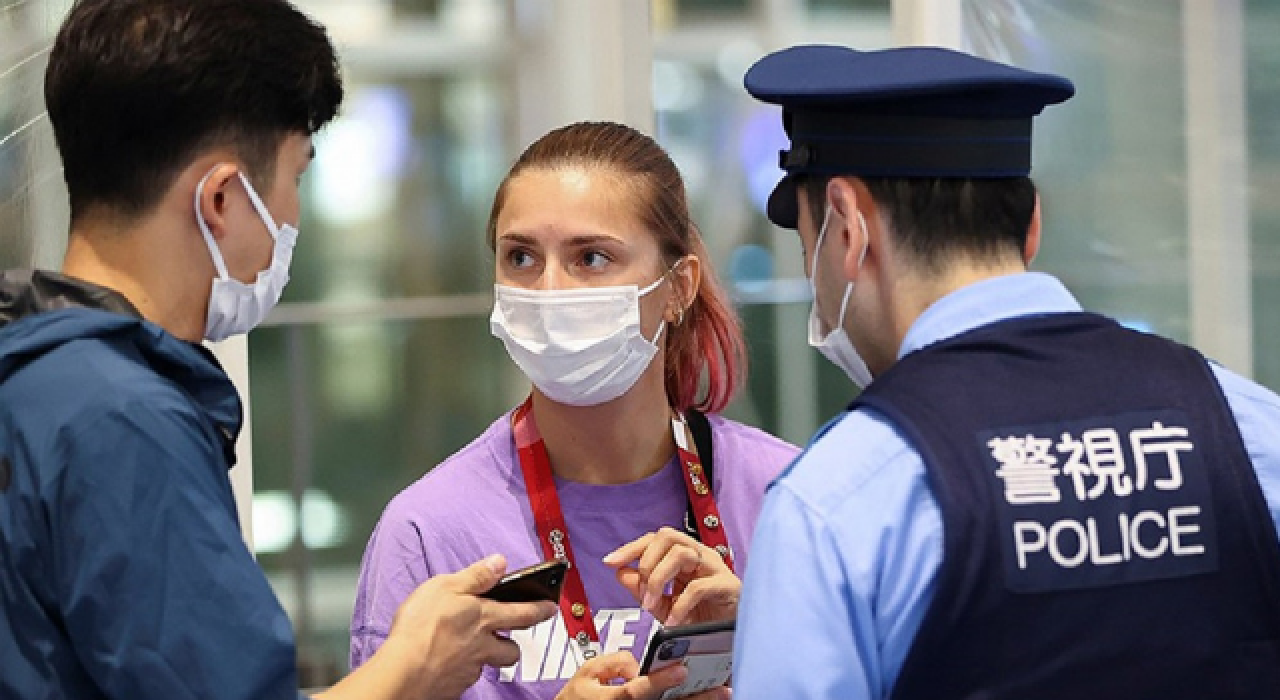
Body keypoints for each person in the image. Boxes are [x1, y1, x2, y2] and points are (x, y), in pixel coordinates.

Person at [0, 1, 556, 698]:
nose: (291, 215)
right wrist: (411, 666)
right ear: (223, 199)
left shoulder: (33, 372)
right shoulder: (123, 423)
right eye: (296, 176)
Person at [732, 44, 1280, 700]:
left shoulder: (838, 500)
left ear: (849, 229)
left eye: (806, 246)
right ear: (1031, 225)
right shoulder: (1246, 426)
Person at [351, 121, 799, 700]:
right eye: (521, 257)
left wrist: (772, 646)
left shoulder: (788, 498)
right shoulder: (429, 533)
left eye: (590, 258)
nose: (549, 292)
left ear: (678, 287)